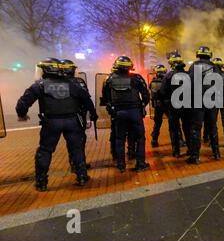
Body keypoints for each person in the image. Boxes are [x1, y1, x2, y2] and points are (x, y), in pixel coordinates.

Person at [16, 58, 97, 191]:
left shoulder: (40, 85)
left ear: (45, 70)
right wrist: (93, 115)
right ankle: (82, 176)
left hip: (51, 123)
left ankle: (41, 183)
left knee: (45, 151)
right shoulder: (74, 84)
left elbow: (23, 104)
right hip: (73, 121)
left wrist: (22, 114)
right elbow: (87, 101)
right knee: (76, 149)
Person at [102, 56, 150, 172]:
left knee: (120, 139)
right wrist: (142, 105)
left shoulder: (109, 79)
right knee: (140, 138)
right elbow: (146, 96)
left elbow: (105, 98)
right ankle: (140, 163)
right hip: (135, 112)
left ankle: (121, 164)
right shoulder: (137, 78)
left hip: (119, 113)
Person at [188, 46, 221, 164]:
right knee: (212, 127)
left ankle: (195, 157)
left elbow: (189, 84)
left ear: (198, 54)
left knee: (196, 129)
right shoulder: (215, 67)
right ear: (209, 55)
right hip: (211, 101)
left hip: (198, 101)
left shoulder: (194, 66)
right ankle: (216, 153)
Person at [59, 59, 92, 172]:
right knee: (78, 141)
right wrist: (91, 112)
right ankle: (80, 166)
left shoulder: (52, 83)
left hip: (56, 118)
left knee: (71, 142)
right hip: (77, 116)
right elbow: (86, 98)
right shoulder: (79, 82)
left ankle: (74, 163)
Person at [160, 54, 191, 157]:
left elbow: (163, 92)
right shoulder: (188, 75)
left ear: (172, 64)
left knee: (174, 129)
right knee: (187, 128)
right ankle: (191, 150)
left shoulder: (168, 76)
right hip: (186, 106)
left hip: (173, 107)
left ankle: (176, 151)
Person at [149, 65, 169, 147]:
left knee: (157, 123)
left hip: (158, 106)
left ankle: (154, 140)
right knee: (174, 123)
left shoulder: (153, 82)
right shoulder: (167, 81)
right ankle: (179, 140)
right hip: (167, 105)